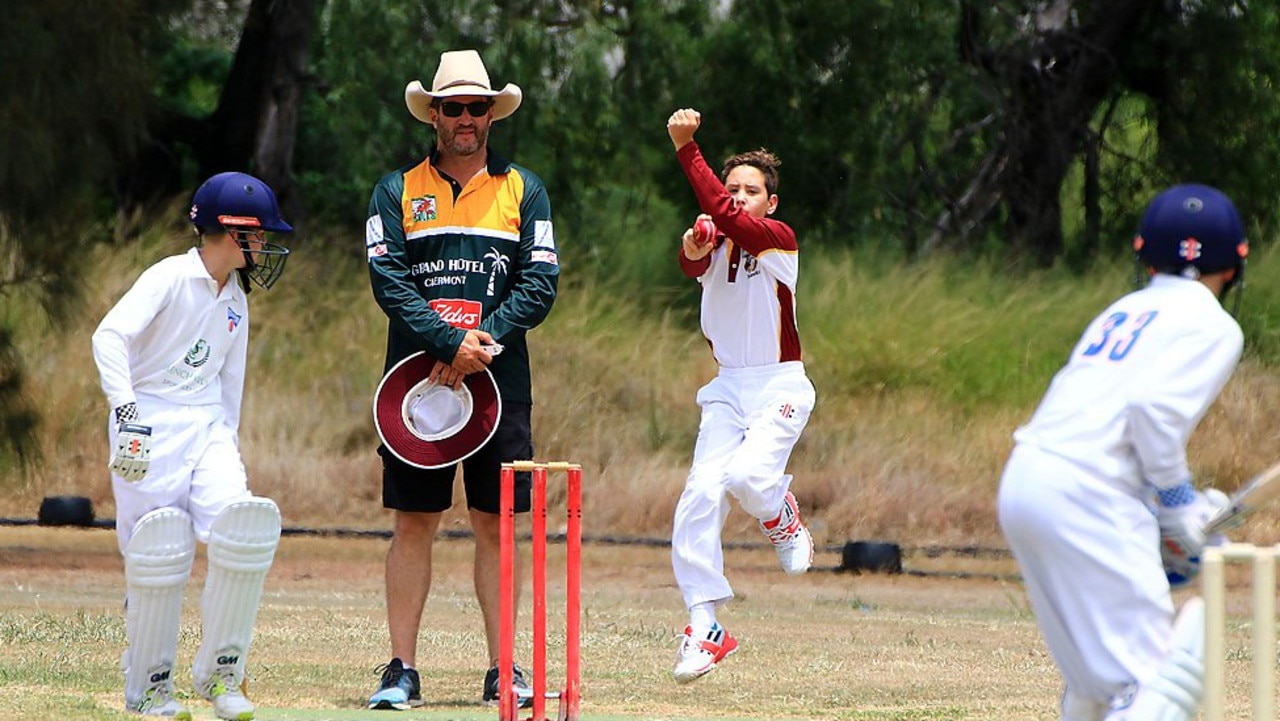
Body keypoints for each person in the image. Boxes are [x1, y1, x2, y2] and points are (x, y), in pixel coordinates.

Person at [997, 184, 1248, 721]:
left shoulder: (1124, 310)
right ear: (1232, 266)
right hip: (1088, 494)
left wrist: (1157, 516)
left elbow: (1114, 420)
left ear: (1145, 256)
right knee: (1155, 687)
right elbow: (1151, 413)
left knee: (1095, 691)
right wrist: (1180, 506)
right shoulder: (1215, 325)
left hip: (1026, 481)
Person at [363, 49, 559, 710]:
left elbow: (540, 283)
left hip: (501, 382)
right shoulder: (396, 189)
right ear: (435, 114)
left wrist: (484, 342)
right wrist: (449, 342)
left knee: (495, 523)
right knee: (414, 520)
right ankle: (400, 669)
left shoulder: (524, 189)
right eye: (454, 107)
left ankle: (505, 669)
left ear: (492, 114)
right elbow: (389, 281)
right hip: (416, 385)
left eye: (478, 107)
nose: (467, 118)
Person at [91, 171, 293, 720]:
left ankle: (221, 671)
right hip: (148, 423)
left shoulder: (236, 300)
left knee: (242, 526)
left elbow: (231, 389)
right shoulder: (171, 277)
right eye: (260, 234)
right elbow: (109, 336)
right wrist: (126, 412)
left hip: (207, 428)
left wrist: (227, 444)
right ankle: (150, 687)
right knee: (158, 550)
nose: (265, 245)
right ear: (233, 231)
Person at [664, 108, 817, 684]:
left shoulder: (778, 240)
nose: (739, 199)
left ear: (769, 203)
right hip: (728, 387)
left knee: (748, 480)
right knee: (701, 492)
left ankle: (779, 513)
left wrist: (687, 150)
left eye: (751, 191)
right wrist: (697, 241)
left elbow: (736, 224)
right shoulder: (718, 236)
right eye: (731, 190)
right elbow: (691, 258)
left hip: (779, 381)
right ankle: (704, 624)